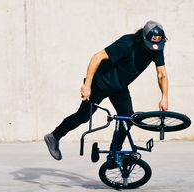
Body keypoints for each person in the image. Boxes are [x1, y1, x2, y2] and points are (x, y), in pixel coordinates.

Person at [44, 20, 169, 160]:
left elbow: (161, 74)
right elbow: (97, 57)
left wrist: (164, 96)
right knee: (83, 116)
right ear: (142, 37)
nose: (152, 49)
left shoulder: (156, 47)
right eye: (149, 46)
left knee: (127, 117)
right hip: (100, 83)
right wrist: (87, 85)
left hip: (119, 87)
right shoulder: (127, 43)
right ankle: (54, 136)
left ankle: (114, 153)